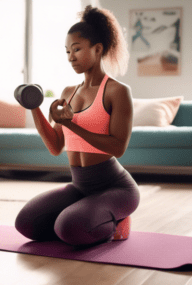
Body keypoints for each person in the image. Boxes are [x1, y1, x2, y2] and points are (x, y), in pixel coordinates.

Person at [15, 5, 140, 247]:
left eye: (77, 49)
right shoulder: (68, 93)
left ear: (98, 49)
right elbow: (55, 146)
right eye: (67, 51)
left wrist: (72, 124)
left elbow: (118, 147)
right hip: (79, 186)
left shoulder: (117, 91)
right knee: (26, 223)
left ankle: (116, 221)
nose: (71, 57)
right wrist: (34, 107)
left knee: (68, 227)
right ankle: (85, 216)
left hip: (116, 188)